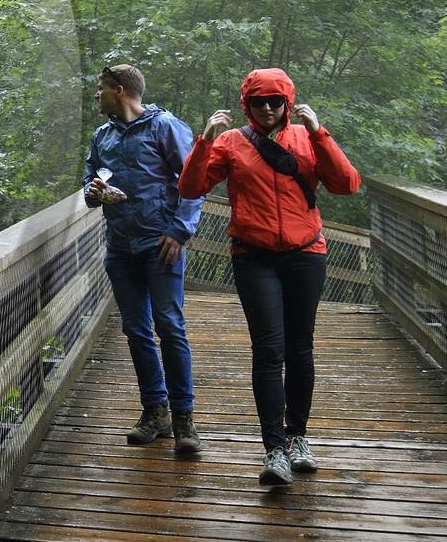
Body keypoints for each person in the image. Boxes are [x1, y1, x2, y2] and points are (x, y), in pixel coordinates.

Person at [179, 68, 360, 487]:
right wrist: (204, 140)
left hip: (306, 254)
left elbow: (347, 185)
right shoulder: (231, 142)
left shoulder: (306, 139)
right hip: (254, 256)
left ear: (287, 103)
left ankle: (298, 437)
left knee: (300, 349)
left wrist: (320, 133)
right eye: (258, 102)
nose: (266, 109)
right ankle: (274, 449)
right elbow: (189, 189)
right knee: (269, 349)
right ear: (247, 103)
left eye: (275, 102)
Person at [85, 64, 205, 454]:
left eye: (100, 89)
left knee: (169, 326)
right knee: (136, 330)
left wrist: (180, 230)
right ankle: (156, 412)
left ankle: (185, 419)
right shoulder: (101, 136)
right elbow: (89, 184)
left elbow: (194, 180)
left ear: (119, 90)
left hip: (160, 244)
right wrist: (95, 189)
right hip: (119, 247)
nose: (96, 95)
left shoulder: (165, 127)